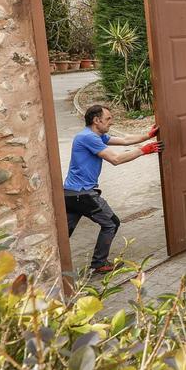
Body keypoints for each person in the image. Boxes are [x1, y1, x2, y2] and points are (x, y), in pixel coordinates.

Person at [63, 104, 162, 273]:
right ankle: (99, 263)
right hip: (83, 193)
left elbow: (124, 140)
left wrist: (147, 135)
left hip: (71, 194)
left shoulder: (94, 136)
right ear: (96, 120)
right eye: (108, 119)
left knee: (64, 234)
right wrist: (144, 150)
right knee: (111, 223)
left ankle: (53, 264)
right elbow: (115, 159)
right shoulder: (88, 138)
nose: (111, 122)